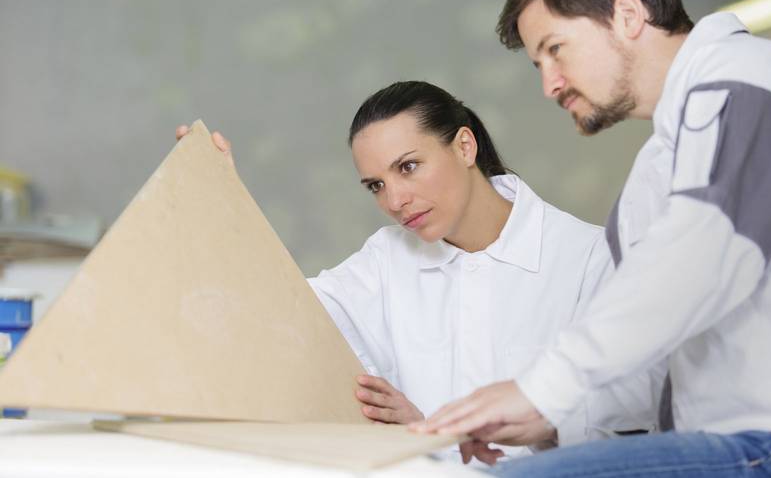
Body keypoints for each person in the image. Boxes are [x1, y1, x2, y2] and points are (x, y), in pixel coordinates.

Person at [411, 0, 771, 476]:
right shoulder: (657, 168)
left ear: (628, 15)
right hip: (733, 440)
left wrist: (541, 389)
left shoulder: (746, 79)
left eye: (555, 50)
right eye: (539, 64)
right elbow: (659, 362)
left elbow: (698, 262)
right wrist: (549, 418)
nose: (549, 85)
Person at [177, 80, 659, 464]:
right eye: (375, 185)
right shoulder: (386, 260)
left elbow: (627, 427)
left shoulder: (589, 258)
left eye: (408, 167)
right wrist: (226, 212)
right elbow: (284, 315)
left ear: (464, 147)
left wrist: (436, 435)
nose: (394, 200)